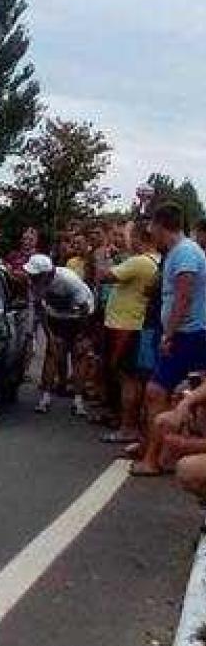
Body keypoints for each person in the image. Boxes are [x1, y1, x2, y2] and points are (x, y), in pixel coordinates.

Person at [133, 204, 206, 478]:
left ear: (162, 225)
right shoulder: (180, 251)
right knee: (174, 394)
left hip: (189, 334)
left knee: (156, 392)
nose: (150, 231)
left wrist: (169, 333)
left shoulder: (185, 252)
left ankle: (154, 459)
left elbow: (184, 296)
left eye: (152, 225)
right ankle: (160, 453)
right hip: (189, 332)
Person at [98, 223, 159, 444]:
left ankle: (128, 427)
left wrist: (105, 250)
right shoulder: (156, 260)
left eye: (129, 236)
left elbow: (103, 275)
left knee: (127, 378)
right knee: (135, 378)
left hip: (124, 326)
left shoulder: (140, 261)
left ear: (138, 238)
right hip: (136, 325)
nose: (126, 240)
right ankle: (129, 422)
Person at [24, 253, 95, 415]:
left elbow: (85, 308)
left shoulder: (69, 281)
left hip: (80, 316)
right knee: (52, 353)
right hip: (57, 316)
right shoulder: (34, 283)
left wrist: (82, 335)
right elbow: (40, 309)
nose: (31, 278)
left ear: (46, 274)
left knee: (79, 355)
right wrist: (49, 335)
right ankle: (45, 397)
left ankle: (78, 400)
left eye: (35, 275)